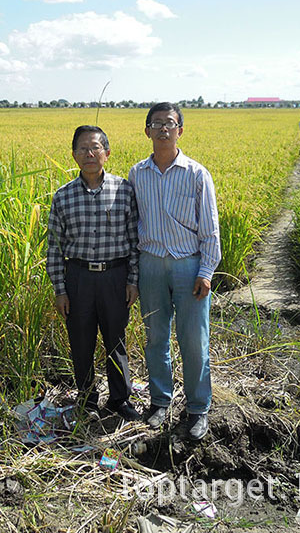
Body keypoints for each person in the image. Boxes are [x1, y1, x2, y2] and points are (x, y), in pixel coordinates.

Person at [128, 103, 221, 441]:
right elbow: (131, 223)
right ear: (147, 130)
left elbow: (210, 228)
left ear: (180, 130)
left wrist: (207, 270)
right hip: (151, 263)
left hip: (189, 265)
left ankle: (198, 408)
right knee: (155, 337)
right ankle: (159, 401)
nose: (163, 129)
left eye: (170, 123)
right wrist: (133, 275)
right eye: (156, 124)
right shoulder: (137, 174)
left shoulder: (197, 174)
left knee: (194, 340)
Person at [46, 125, 141, 421]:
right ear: (74, 155)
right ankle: (86, 400)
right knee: (81, 341)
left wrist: (133, 280)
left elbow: (135, 240)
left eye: (96, 147)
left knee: (116, 339)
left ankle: (119, 399)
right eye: (83, 148)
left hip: (115, 275)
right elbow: (53, 248)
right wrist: (60, 289)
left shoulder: (124, 190)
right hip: (79, 277)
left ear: (107, 153)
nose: (90, 153)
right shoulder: (63, 197)